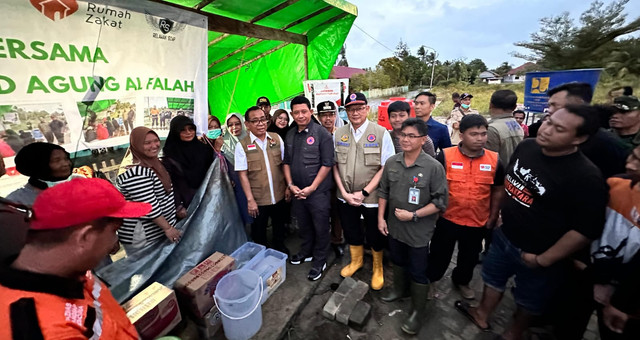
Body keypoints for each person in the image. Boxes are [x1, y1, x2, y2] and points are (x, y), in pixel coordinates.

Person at [455, 105, 607, 340]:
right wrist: (498, 216)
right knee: (492, 278)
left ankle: (514, 333)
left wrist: (543, 259)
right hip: (505, 235)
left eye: (559, 129)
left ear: (580, 138)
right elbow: (509, 182)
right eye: (548, 121)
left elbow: (584, 231)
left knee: (529, 297)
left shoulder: (586, 177)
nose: (546, 129)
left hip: (537, 252)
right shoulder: (527, 147)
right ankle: (482, 313)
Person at [0, 178, 150, 339]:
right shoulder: (42, 330)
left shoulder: (73, 269)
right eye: (114, 230)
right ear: (85, 237)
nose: (114, 241)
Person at [378, 118, 448, 334]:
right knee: (397, 260)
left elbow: (440, 202)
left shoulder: (433, 167)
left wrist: (414, 214)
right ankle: (399, 290)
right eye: (403, 135)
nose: (406, 139)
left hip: (419, 231)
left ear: (423, 139)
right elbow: (383, 192)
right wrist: (381, 218)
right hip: (394, 227)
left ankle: (418, 311)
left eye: (412, 136)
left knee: (418, 271)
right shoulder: (392, 162)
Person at [427, 115, 505, 300]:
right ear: (461, 135)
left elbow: (498, 190)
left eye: (483, 134)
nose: (479, 139)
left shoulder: (495, 160)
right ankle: (431, 280)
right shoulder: (445, 155)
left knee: (469, 257)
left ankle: (462, 281)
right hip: (448, 218)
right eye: (474, 134)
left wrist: (493, 216)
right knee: (439, 254)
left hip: (477, 221)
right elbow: (434, 187)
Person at [334, 92, 394, 290]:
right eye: (351, 109)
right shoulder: (338, 133)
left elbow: (385, 166)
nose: (355, 112)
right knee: (351, 230)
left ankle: (378, 267)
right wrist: (343, 192)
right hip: (346, 196)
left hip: (372, 197)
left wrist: (365, 193)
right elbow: (334, 165)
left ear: (367, 109)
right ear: (346, 112)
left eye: (359, 108)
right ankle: (356, 261)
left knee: (375, 233)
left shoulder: (381, 133)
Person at [590, 145, 640, 339]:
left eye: (638, 162)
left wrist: (621, 302)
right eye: (632, 156)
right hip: (597, 273)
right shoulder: (615, 184)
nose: (630, 164)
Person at [284, 95, 334, 281]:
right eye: (296, 112)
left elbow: (327, 164)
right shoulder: (290, 134)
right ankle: (306, 251)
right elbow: (286, 162)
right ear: (292, 114)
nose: (300, 115)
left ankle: (320, 259)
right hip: (298, 192)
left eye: (304, 111)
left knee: (320, 226)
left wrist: (312, 188)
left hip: (317, 192)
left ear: (311, 112)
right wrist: (290, 185)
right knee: (304, 225)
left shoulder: (322, 134)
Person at [116, 127, 181, 254]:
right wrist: (167, 228)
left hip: (158, 232)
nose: (154, 145)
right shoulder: (135, 172)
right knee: (146, 270)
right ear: (137, 145)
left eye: (156, 141)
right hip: (144, 235)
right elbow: (149, 205)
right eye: (147, 143)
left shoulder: (153, 163)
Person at [235, 106, 290, 254]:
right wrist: (250, 200)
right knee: (259, 232)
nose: (260, 124)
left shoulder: (276, 139)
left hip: (279, 194)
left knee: (279, 226)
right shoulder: (242, 146)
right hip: (258, 198)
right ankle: (261, 255)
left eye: (263, 119)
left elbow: (285, 164)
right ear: (247, 124)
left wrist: (288, 186)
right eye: (255, 121)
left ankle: (280, 248)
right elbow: (242, 175)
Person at [162, 116, 214, 214]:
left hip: (207, 199)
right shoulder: (170, 155)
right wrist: (178, 205)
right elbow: (171, 183)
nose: (188, 132)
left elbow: (212, 171)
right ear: (175, 132)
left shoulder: (204, 149)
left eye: (191, 129)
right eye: (183, 130)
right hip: (185, 203)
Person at [7, 143, 84, 205]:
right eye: (57, 160)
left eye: (66, 158)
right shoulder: (17, 201)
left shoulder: (80, 181)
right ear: (39, 165)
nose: (66, 164)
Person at [316, 101, 345, 257]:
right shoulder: (315, 134)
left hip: (338, 179)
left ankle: (337, 240)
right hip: (320, 180)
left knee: (337, 212)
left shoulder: (342, 134)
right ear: (318, 117)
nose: (328, 119)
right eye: (324, 115)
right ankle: (321, 242)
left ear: (335, 115)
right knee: (320, 213)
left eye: (331, 114)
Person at [485, 90, 524, 169]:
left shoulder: (492, 129)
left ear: (490, 105)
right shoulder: (517, 125)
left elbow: (488, 160)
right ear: (514, 107)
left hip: (498, 176)